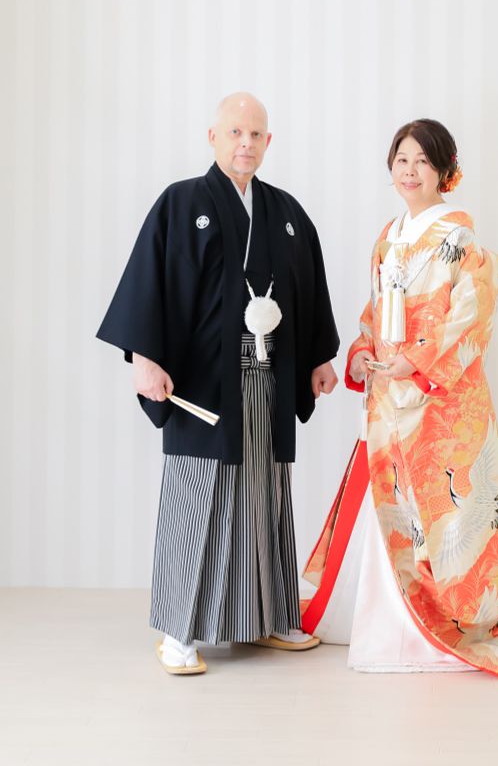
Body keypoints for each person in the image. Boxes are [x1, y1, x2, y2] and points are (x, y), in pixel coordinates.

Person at [302, 118, 498, 680]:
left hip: (437, 399)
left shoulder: (460, 239)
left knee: (444, 510)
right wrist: (364, 352)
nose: (410, 171)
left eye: (422, 161)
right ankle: (382, 618)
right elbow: (375, 312)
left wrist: (415, 363)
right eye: (401, 160)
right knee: (388, 500)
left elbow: (471, 314)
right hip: (387, 393)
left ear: (445, 170)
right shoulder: (387, 236)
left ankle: (437, 623)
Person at [97, 93, 339, 674]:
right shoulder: (182, 203)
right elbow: (149, 282)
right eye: (235, 132)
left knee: (265, 499)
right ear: (212, 136)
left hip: (268, 380)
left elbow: (308, 290)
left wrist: (317, 359)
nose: (245, 143)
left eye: (256, 134)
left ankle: (269, 618)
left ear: (269, 142)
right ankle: (180, 633)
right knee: (199, 499)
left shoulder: (285, 212)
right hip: (203, 386)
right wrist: (142, 357)